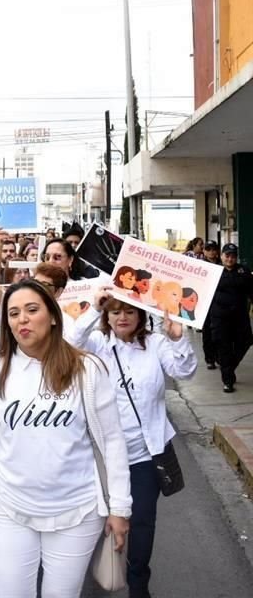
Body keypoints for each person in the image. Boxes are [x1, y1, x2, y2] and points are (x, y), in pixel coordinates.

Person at [0, 280, 132, 598]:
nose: (22, 319)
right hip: (10, 509)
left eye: (32, 310)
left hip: (78, 511)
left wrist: (120, 508)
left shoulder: (87, 370)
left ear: (52, 316)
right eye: (14, 313)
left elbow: (113, 442)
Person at [70, 289, 196, 597]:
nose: (121, 317)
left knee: (141, 524)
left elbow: (184, 370)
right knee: (95, 521)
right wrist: (92, 310)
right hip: (99, 456)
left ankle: (138, 584)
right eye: (114, 312)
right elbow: (67, 345)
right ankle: (79, 577)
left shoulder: (155, 344)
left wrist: (178, 338)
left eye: (128, 311)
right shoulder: (96, 343)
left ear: (140, 315)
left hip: (143, 455)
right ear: (106, 316)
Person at [209, 243, 253, 392]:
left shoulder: (244, 271)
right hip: (220, 319)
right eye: (227, 255)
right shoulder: (213, 272)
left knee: (246, 341)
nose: (230, 259)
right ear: (221, 256)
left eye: (233, 256)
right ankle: (228, 380)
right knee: (224, 348)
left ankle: (229, 367)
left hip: (240, 318)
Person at [200, 241, 223, 370]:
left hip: (219, 304)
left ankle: (219, 357)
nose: (211, 252)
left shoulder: (223, 264)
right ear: (204, 251)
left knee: (220, 332)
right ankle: (209, 359)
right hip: (205, 304)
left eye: (214, 249)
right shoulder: (200, 266)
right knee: (207, 332)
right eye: (208, 249)